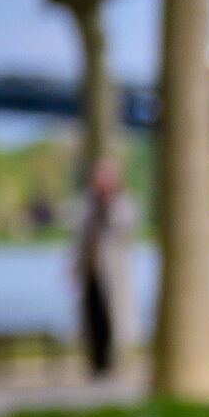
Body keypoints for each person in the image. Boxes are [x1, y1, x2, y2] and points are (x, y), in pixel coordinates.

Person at [71, 160, 130, 379]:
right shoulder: (87, 206)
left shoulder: (120, 204)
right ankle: (95, 362)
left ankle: (110, 362)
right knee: (92, 318)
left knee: (111, 318)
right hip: (90, 273)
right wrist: (74, 268)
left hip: (111, 274)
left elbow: (123, 227)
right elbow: (79, 240)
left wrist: (108, 203)